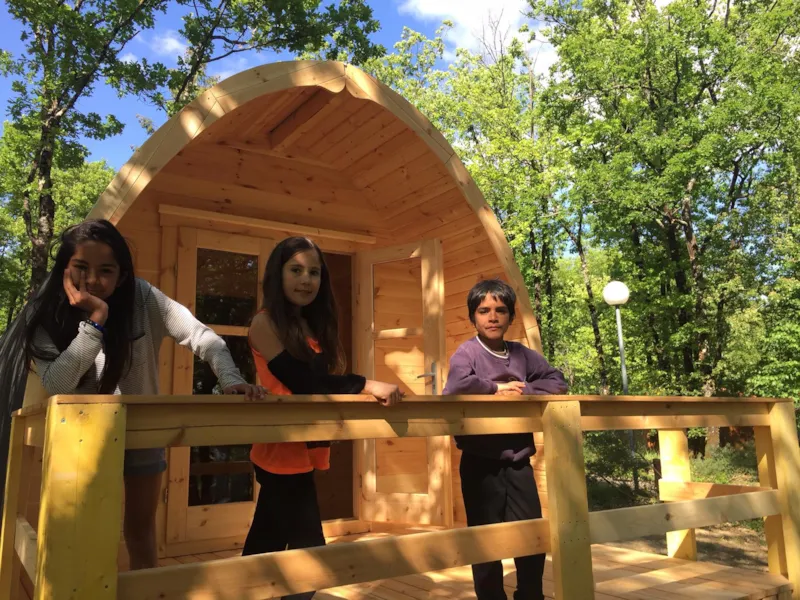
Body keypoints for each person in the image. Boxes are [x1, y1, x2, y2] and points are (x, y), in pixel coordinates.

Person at [0, 219, 264, 570]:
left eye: (105, 271)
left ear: (121, 275)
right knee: (81, 534)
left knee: (140, 531)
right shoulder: (41, 311)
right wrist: (95, 322)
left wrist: (231, 379)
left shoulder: (143, 296)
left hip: (140, 433)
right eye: (81, 268)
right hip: (78, 441)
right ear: (64, 268)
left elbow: (201, 336)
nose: (92, 280)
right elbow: (59, 382)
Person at [244, 236, 402, 600]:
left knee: (265, 541)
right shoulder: (264, 323)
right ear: (277, 275)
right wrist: (366, 384)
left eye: (314, 272)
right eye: (296, 270)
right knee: (311, 555)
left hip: (302, 445)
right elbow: (304, 384)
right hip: (279, 448)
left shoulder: (309, 327)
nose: (306, 280)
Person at [442, 279, 567, 600]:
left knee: (531, 534)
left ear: (511, 316)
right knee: (485, 540)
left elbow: (557, 381)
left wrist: (522, 389)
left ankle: (530, 594)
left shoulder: (522, 355)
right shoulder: (467, 352)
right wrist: (495, 390)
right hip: (480, 463)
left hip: (519, 461)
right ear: (473, 317)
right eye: (484, 311)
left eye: (500, 310)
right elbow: (456, 386)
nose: (492, 317)